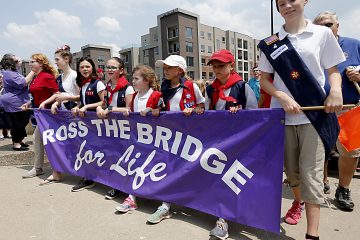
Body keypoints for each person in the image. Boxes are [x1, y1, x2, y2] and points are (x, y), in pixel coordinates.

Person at [258, 1, 345, 240]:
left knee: (311, 174)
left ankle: (312, 234)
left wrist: (335, 90)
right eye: (281, 2)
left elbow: (333, 71)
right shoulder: (270, 43)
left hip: (313, 116)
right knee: (293, 174)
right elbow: (264, 79)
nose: (287, 5)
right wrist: (281, 95)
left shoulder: (322, 34)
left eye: (292, 0)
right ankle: (298, 201)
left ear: (304, 1)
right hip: (282, 117)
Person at [203, 49, 257, 240]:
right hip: (216, 142)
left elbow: (254, 114)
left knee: (231, 179)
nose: (216, 69)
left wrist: (240, 111)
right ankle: (222, 217)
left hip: (238, 143)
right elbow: (206, 112)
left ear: (231, 66)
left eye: (221, 65)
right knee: (218, 178)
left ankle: (227, 217)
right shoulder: (210, 89)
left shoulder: (243, 87)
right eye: (214, 66)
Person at [146, 55, 205, 224]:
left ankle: (196, 200)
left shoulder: (191, 86)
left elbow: (202, 106)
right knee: (169, 169)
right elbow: (160, 105)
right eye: (164, 67)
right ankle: (166, 205)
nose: (165, 70)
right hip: (168, 136)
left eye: (169, 67)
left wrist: (194, 109)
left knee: (189, 169)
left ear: (180, 70)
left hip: (189, 137)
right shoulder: (163, 86)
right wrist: (155, 109)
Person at [314, 11, 360, 211]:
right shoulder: (311, 47)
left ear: (338, 25)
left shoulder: (354, 44)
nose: (325, 28)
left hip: (349, 108)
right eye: (320, 25)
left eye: (329, 24)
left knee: (350, 152)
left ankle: (343, 188)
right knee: (319, 150)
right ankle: (322, 181)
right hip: (318, 108)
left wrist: (359, 75)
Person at [113, 64, 163, 213]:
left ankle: (161, 199)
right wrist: (128, 112)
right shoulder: (134, 96)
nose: (133, 82)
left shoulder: (156, 95)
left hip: (154, 140)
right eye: (132, 79)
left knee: (154, 168)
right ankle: (131, 198)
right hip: (137, 138)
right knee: (134, 166)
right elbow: (130, 110)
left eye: (136, 78)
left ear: (147, 80)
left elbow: (162, 110)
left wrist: (152, 110)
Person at [38, 45, 79, 184]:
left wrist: (64, 99)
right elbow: (58, 95)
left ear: (66, 59)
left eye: (57, 59)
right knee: (55, 143)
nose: (55, 62)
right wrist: (51, 102)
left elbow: (80, 96)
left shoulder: (75, 76)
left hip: (73, 116)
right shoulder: (60, 77)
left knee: (73, 145)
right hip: (61, 115)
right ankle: (57, 172)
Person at [96, 57, 135, 199]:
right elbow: (105, 104)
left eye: (114, 67)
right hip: (111, 128)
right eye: (108, 67)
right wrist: (101, 107)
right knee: (113, 157)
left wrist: (111, 109)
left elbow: (129, 109)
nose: (110, 70)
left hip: (125, 129)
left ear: (121, 70)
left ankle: (129, 189)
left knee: (126, 159)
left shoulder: (128, 87)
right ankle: (117, 186)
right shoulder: (107, 87)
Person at [67, 57, 106, 192]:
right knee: (87, 151)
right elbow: (83, 102)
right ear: (78, 69)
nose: (85, 69)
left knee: (99, 152)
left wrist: (87, 106)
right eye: (82, 67)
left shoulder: (98, 83)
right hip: (86, 125)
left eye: (87, 66)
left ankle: (98, 178)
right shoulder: (83, 84)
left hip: (99, 126)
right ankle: (88, 178)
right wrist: (78, 107)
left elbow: (104, 102)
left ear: (93, 68)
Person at [21, 53, 59, 178]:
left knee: (41, 140)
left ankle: (42, 168)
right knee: (40, 140)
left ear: (41, 63)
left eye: (33, 62)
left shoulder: (47, 77)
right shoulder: (36, 77)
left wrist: (49, 104)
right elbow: (36, 95)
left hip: (49, 114)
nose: (30, 64)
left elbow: (57, 94)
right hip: (40, 115)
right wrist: (28, 103)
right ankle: (43, 168)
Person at [0, 54, 34, 149]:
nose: (19, 61)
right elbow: (24, 82)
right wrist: (33, 71)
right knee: (17, 122)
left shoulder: (12, 72)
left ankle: (19, 140)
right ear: (11, 63)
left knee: (22, 121)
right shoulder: (9, 73)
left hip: (18, 100)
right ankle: (16, 143)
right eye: (15, 61)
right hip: (13, 101)